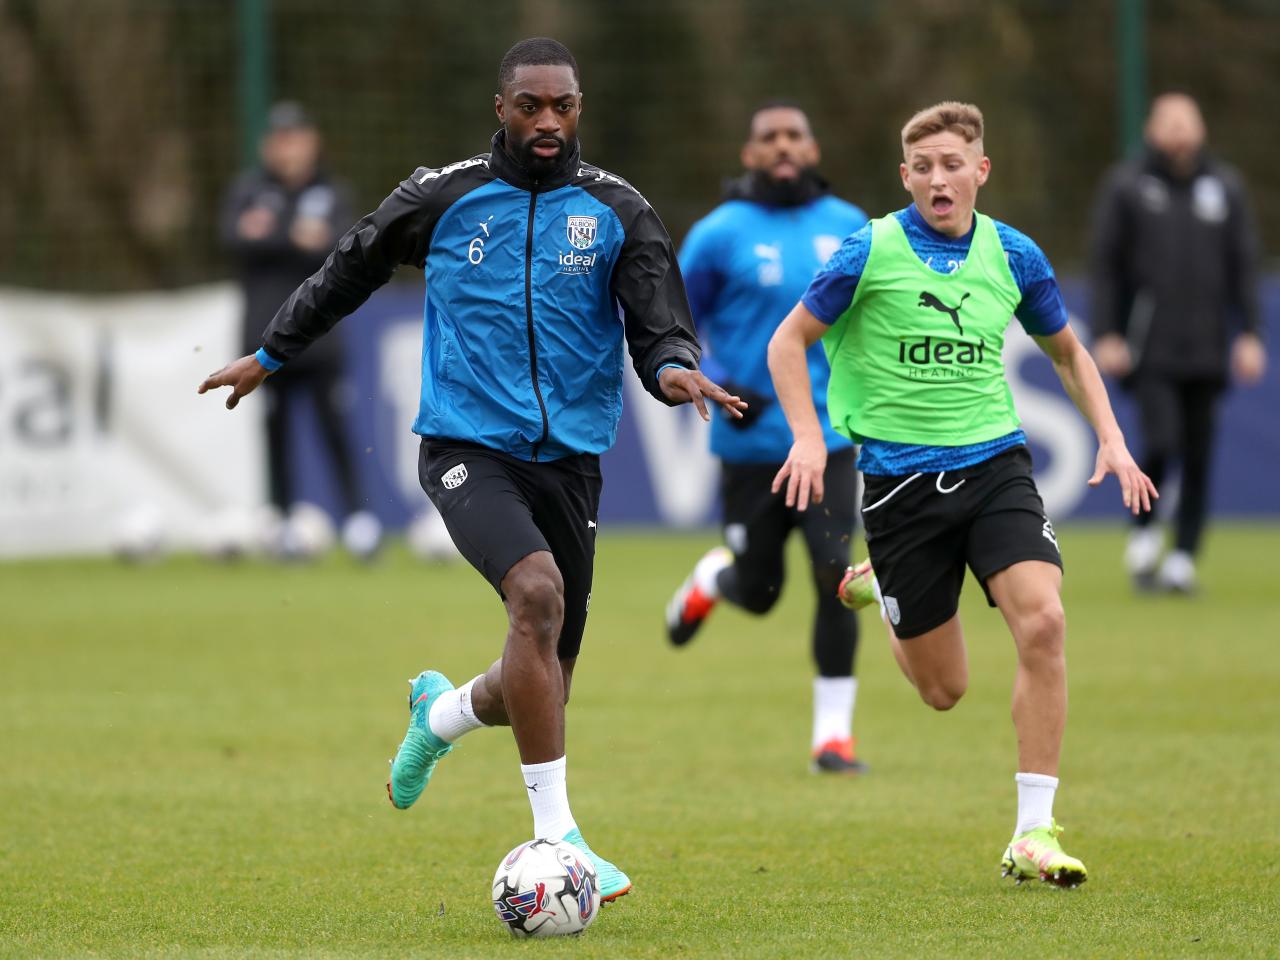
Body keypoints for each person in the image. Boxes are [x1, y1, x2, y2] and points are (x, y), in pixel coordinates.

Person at [199, 37, 745, 903]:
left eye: (562, 106)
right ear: (501, 108)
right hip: (466, 448)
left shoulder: (619, 210)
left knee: (545, 678)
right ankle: (560, 838)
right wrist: (272, 351)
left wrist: (675, 368)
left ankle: (443, 714)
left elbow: (658, 324)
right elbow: (350, 265)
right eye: (530, 106)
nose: (547, 121)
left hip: (571, 461)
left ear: (579, 109)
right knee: (536, 594)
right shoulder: (442, 196)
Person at [767, 102, 1157, 887]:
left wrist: (1113, 438)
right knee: (943, 690)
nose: (938, 179)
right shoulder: (868, 249)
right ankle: (885, 587)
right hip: (899, 489)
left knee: (1044, 622)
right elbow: (788, 341)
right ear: (905, 176)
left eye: (953, 164)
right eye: (923, 167)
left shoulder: (1013, 254)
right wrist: (808, 437)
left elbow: (1069, 353)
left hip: (994, 467)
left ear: (981, 171)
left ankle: (1033, 830)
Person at [663, 101, 871, 774]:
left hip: (828, 438)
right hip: (750, 447)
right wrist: (718, 379)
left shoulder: (850, 227)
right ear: (749, 154)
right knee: (760, 592)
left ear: (813, 149)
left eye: (794, 135)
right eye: (769, 137)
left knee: (836, 574)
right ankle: (716, 578)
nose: (783, 145)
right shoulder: (718, 234)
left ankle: (832, 739)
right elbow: (672, 318)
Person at [1089, 92, 1266, 594]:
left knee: (1200, 452)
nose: (1178, 129)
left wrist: (1251, 333)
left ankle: (1184, 557)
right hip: (1151, 347)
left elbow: (1243, 266)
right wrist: (1107, 332)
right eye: (1168, 120)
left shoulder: (1224, 187)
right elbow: (1106, 266)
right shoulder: (1127, 186)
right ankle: (1145, 529)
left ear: (1202, 127)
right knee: (1162, 441)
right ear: (1151, 128)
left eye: (1187, 119)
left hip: (1208, 346)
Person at [221, 101, 382, 559]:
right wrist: (296, 236)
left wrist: (272, 236)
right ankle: (282, 520)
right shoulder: (249, 190)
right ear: (266, 146)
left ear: (312, 143)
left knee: (335, 426)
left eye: (295, 138)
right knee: (276, 433)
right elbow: (232, 239)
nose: (287, 149)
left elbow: (344, 247)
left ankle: (359, 520)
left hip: (321, 338)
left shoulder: (332, 191)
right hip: (264, 337)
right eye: (279, 139)